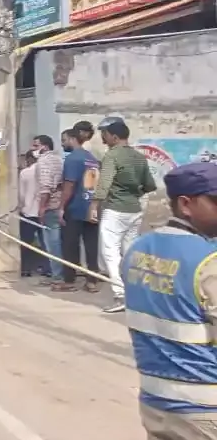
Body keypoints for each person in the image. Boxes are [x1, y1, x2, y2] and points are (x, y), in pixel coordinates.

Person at [121, 162, 217, 440]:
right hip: (205, 407)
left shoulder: (137, 251)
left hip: (156, 401)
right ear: (186, 204)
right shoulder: (207, 262)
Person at [93, 116, 157, 313]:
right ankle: (136, 294)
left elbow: (104, 184)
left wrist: (94, 205)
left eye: (104, 135)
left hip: (115, 210)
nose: (103, 138)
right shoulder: (139, 157)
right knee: (130, 253)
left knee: (110, 253)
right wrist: (134, 191)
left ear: (113, 136)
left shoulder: (112, 156)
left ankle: (120, 295)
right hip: (134, 211)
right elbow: (150, 185)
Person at [58, 127, 101, 292]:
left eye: (64, 140)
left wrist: (61, 207)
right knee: (91, 246)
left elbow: (69, 185)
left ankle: (69, 280)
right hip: (92, 207)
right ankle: (92, 281)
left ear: (72, 139)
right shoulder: (91, 158)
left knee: (70, 244)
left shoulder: (72, 159)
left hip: (75, 208)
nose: (63, 144)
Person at [33, 134, 65, 288]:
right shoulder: (59, 159)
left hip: (51, 206)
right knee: (59, 243)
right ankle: (60, 274)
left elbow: (45, 187)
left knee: (52, 244)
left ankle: (57, 276)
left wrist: (41, 208)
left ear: (44, 147)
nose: (33, 149)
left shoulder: (44, 161)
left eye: (36, 146)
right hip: (60, 205)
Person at [18, 150, 47, 278]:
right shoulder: (46, 172)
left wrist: (22, 205)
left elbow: (21, 195)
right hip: (43, 212)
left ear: (29, 159)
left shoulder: (25, 173)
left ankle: (26, 269)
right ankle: (48, 269)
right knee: (46, 242)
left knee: (26, 243)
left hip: (28, 212)